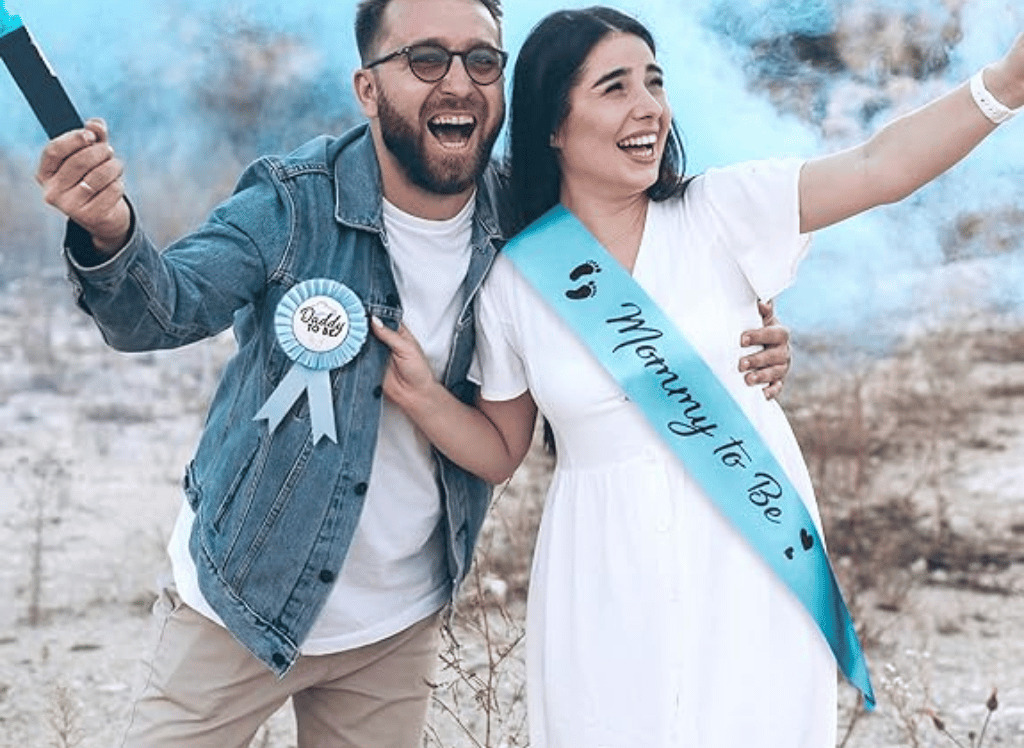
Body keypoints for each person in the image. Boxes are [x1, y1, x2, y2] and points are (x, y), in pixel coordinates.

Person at [32, 1, 793, 746]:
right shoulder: (293, 203)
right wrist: (108, 229)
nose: (458, 82)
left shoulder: (525, 216)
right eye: (425, 59)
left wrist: (744, 333)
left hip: (395, 630)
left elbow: (643, 272)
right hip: (242, 599)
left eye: (482, 61)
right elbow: (161, 311)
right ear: (368, 88)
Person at [372, 6, 1024, 748]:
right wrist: (420, 395)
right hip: (603, 571)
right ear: (554, 125)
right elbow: (500, 450)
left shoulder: (720, 211)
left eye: (654, 82)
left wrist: (1005, 83)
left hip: (750, 552)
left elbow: (880, 169)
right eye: (615, 87)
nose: (648, 105)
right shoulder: (517, 282)